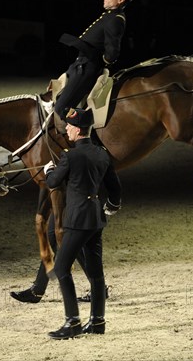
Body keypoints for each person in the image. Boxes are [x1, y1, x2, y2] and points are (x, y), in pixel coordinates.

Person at [43, 107, 122, 339]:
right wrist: (112, 206)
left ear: (77, 130)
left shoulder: (70, 156)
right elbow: (115, 188)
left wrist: (49, 170)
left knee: (61, 268)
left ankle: (73, 322)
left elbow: (53, 182)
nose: (66, 128)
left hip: (77, 219)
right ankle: (97, 321)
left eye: (69, 125)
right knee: (96, 273)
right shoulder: (101, 154)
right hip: (96, 217)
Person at [53, 0, 134, 119]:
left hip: (87, 68)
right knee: (56, 99)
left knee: (62, 108)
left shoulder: (116, 19)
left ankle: (85, 135)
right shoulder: (109, 16)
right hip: (80, 64)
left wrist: (97, 61)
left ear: (120, 0)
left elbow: (112, 53)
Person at [9, 213, 110, 304]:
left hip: (71, 199)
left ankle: (38, 290)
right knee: (65, 236)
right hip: (66, 199)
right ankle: (98, 287)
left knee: (63, 235)